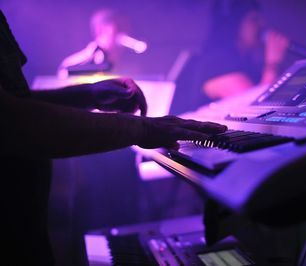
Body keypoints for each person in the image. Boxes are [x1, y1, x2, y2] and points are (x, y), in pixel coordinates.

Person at [0, 10, 226, 265]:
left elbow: (19, 101)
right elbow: (10, 119)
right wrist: (144, 129)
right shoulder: (79, 60)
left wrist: (88, 95)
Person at [171, 0, 289, 115]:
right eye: (254, 19)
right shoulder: (217, 62)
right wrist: (273, 64)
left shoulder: (247, 62)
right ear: (234, 24)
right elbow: (256, 109)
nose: (262, 25)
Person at [58, 8, 147, 77]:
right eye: (119, 28)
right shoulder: (71, 65)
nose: (124, 33)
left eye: (126, 27)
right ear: (100, 29)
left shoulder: (132, 67)